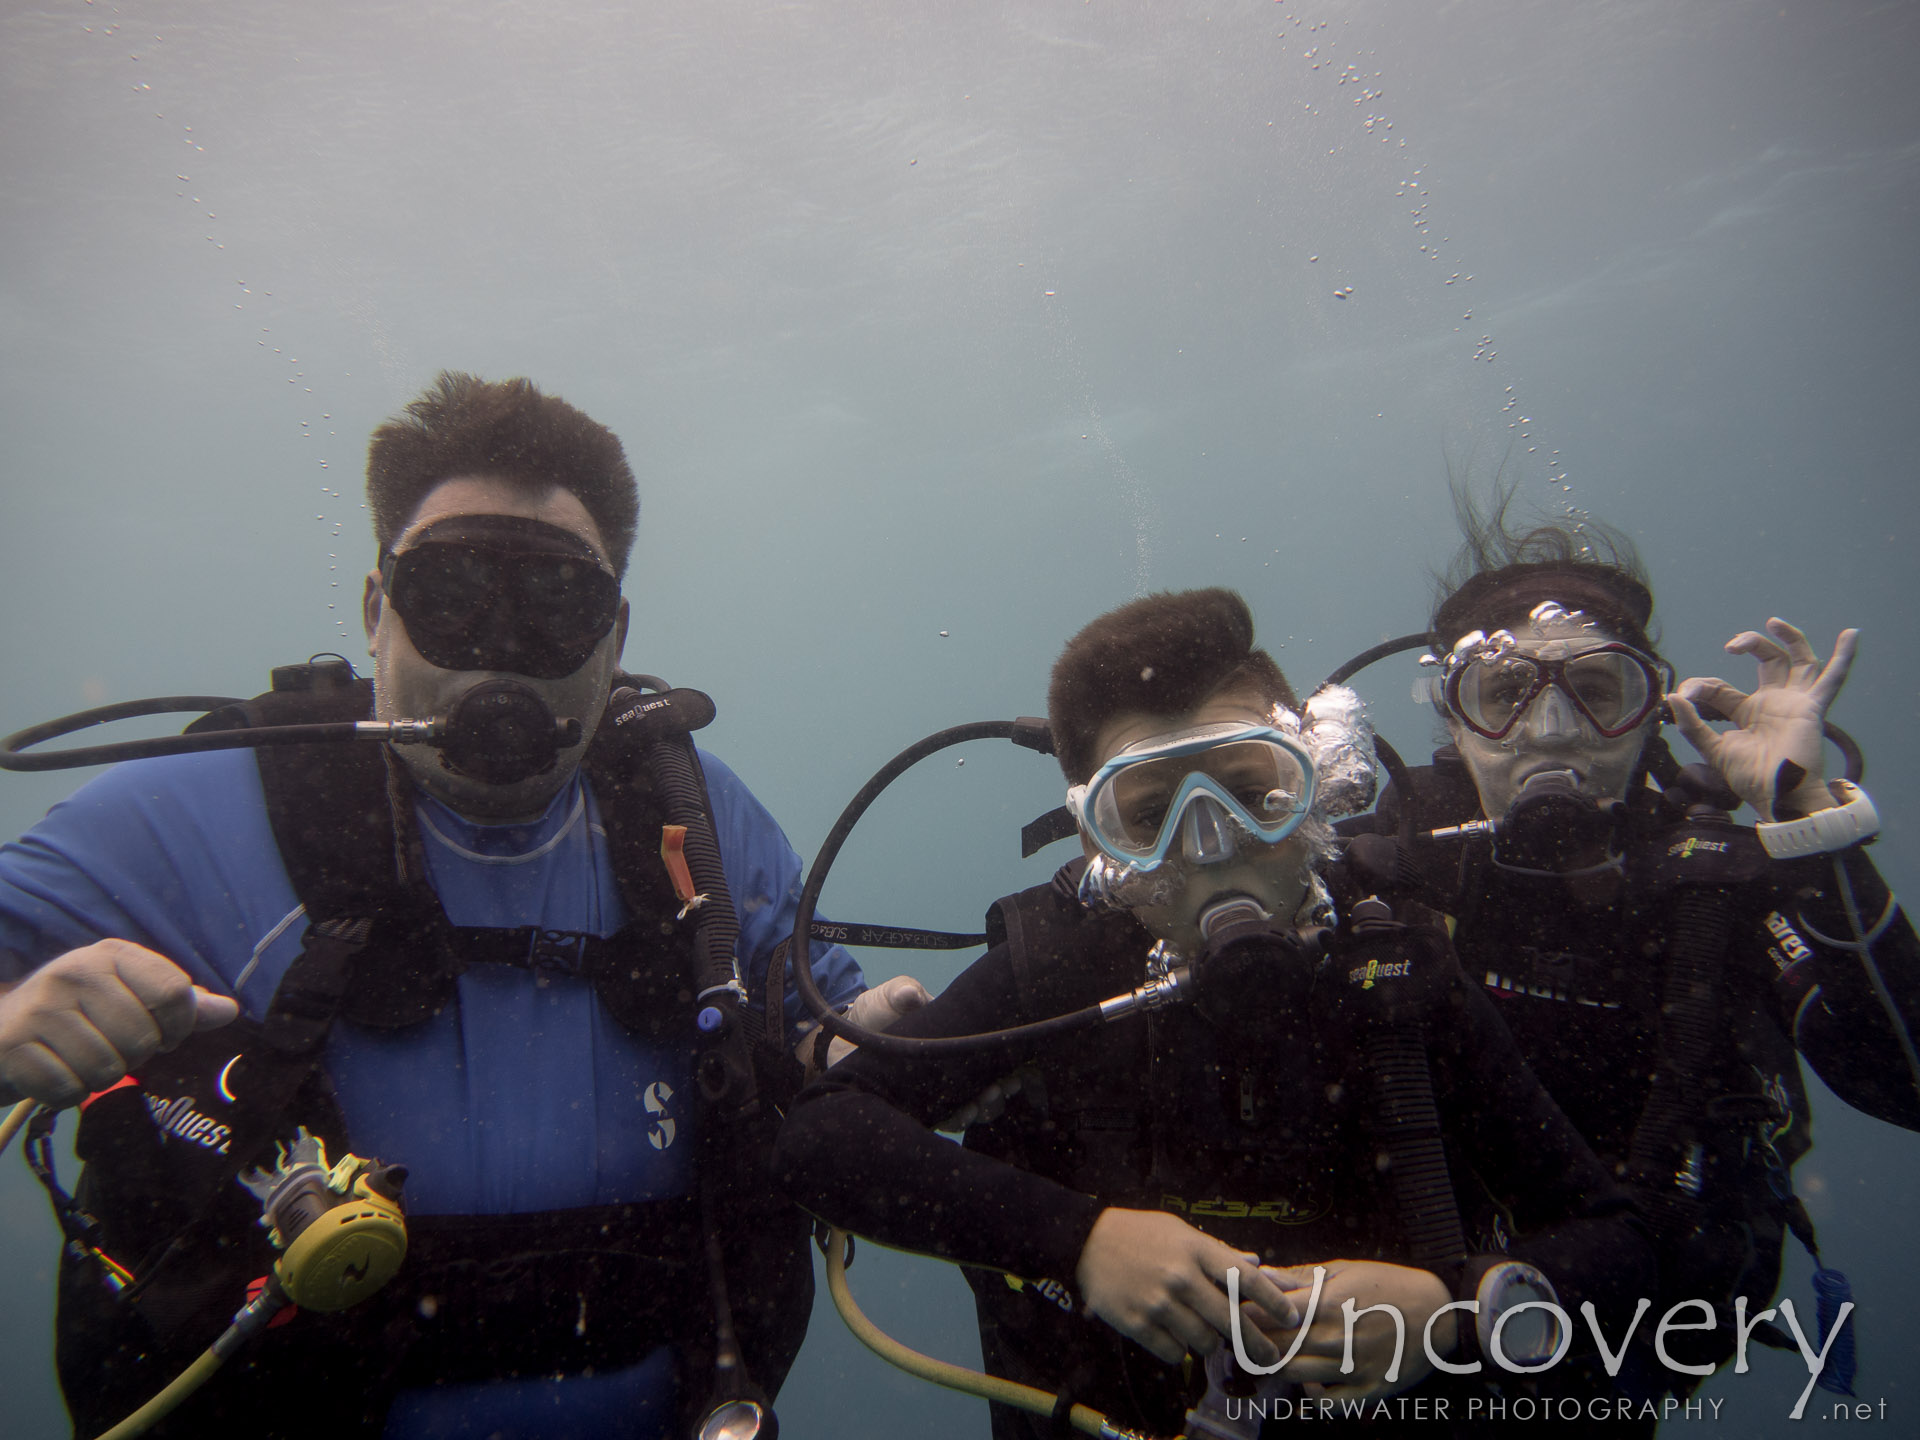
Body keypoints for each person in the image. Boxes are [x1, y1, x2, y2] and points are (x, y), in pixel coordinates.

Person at [0, 372, 924, 1439]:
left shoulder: (696, 820)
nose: (498, 651)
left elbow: (829, 1038)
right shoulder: (185, 812)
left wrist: (887, 1057)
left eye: (554, 603)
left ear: (615, 635)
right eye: (449, 596)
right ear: (375, 609)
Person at [775, 588, 1655, 1439]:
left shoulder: (1396, 972)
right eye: (1149, 815)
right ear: (1096, 843)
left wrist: (1459, 1308)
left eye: (1253, 790)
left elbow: (1621, 1239)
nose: (1211, 846)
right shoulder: (1059, 970)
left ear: (1314, 786)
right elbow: (822, 1137)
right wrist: (1080, 1242)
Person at [1330, 487, 1920, 1395]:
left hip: (1628, 1349)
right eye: (1504, 694)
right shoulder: (1391, 866)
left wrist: (1805, 819)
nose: (1550, 729)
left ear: (1650, 711)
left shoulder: (1714, 876)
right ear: (1452, 718)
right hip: (1385, 1341)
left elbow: (1910, 1083)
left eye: (1599, 692)